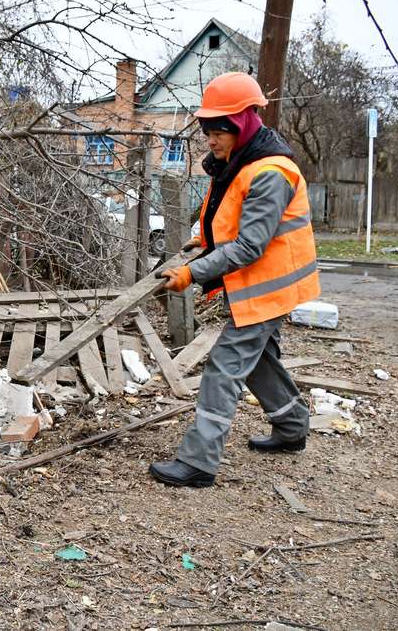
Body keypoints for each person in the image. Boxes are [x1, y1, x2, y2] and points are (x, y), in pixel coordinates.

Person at [149, 72, 320, 488]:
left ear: (243, 121)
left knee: (223, 368)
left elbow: (249, 246)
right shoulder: (239, 162)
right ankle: (292, 427)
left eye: (218, 129)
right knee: (259, 361)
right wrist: (199, 243)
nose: (210, 139)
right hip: (257, 284)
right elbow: (226, 219)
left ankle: (198, 462)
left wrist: (192, 273)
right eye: (207, 130)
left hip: (268, 284)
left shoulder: (271, 171)